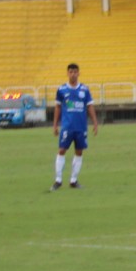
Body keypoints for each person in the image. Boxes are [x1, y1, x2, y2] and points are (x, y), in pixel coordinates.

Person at [51, 63, 98, 191]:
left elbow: (89, 106)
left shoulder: (84, 89)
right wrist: (55, 125)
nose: (73, 74)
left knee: (79, 152)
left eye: (75, 72)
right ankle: (58, 180)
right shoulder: (61, 90)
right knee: (61, 150)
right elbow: (58, 107)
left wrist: (95, 122)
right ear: (67, 73)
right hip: (67, 127)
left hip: (81, 127)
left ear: (78, 73)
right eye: (70, 72)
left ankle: (73, 180)